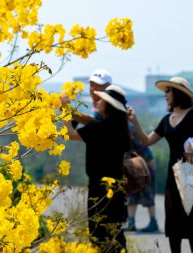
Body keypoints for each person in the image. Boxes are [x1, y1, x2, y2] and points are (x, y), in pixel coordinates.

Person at [72, 69, 160, 233]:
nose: (93, 90)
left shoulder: (115, 110)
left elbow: (90, 125)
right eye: (91, 86)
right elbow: (90, 122)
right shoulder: (101, 109)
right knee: (128, 199)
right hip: (121, 163)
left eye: (98, 86)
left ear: (108, 87)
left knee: (145, 193)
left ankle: (152, 221)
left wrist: (67, 111)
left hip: (138, 159)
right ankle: (132, 221)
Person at [128, 76, 193, 253]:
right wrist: (134, 121)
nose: (165, 95)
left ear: (178, 93)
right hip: (174, 177)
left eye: (168, 91)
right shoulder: (166, 120)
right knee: (173, 224)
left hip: (192, 177)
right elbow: (148, 141)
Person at [64, 85, 131, 252]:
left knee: (98, 234)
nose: (97, 101)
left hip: (99, 189)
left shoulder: (100, 127)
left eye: (101, 99)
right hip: (116, 189)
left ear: (109, 105)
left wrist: (66, 111)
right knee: (114, 232)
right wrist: (71, 110)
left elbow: (71, 134)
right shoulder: (119, 127)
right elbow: (89, 120)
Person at [124, 126, 159, 233]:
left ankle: (153, 222)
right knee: (131, 194)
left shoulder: (130, 129)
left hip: (145, 166)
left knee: (148, 194)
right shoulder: (120, 127)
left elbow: (143, 148)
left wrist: (148, 166)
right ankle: (131, 223)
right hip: (131, 166)